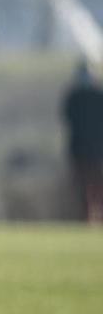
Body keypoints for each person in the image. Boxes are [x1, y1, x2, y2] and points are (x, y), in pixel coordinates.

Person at [64, 60, 103, 224]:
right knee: (96, 185)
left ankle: (88, 218)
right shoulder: (98, 96)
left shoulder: (73, 97)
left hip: (80, 150)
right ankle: (94, 218)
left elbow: (67, 118)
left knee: (84, 188)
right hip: (96, 150)